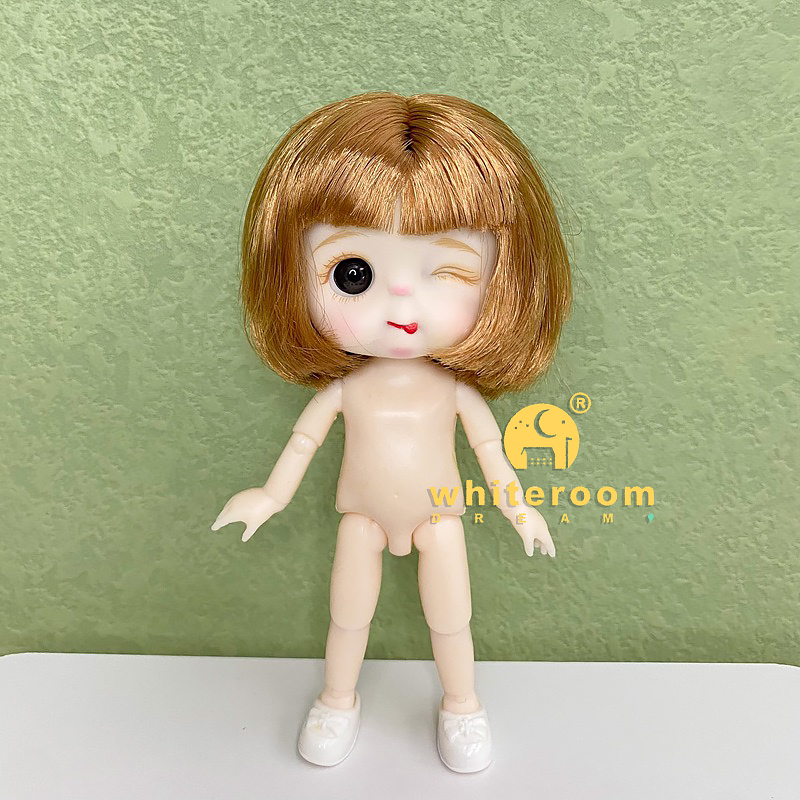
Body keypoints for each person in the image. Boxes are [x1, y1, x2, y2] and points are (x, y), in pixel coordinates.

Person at [212, 92, 572, 773]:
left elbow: (492, 451)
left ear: (502, 280)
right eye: (355, 274)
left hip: (439, 515)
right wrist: (270, 495)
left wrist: (518, 506)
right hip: (363, 517)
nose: (400, 300)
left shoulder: (455, 392)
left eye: (447, 272)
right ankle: (336, 699)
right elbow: (303, 443)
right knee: (347, 616)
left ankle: (462, 705)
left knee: (452, 619)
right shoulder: (345, 390)